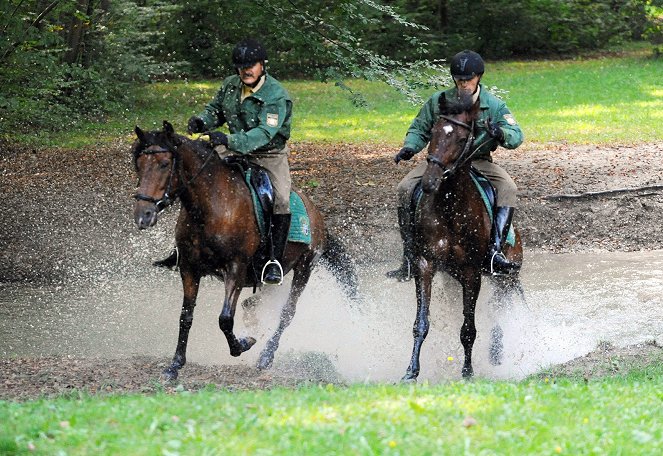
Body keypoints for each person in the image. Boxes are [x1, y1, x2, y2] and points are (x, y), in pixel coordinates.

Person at [157, 38, 293, 285]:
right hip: (232, 148)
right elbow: (215, 111)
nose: (245, 70)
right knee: (194, 178)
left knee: (281, 199)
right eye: (241, 66)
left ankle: (273, 260)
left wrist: (228, 140)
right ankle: (183, 248)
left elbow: (263, 134)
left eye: (251, 65)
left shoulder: (276, 95)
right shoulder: (231, 86)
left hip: (268, 155)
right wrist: (202, 121)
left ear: (262, 65)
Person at [387, 50, 524, 280]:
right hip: (443, 161)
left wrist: (500, 132)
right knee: (403, 188)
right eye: (459, 80)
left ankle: (495, 252)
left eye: (468, 80)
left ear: (478, 78)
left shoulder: (494, 105)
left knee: (509, 188)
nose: (463, 84)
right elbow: (419, 128)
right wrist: (410, 147)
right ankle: (409, 258)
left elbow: (516, 135)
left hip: (478, 162)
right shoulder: (439, 101)